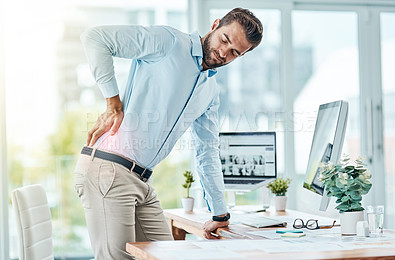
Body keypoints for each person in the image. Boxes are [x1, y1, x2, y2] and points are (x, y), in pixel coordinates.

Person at [74, 7, 263, 259]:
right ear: (215, 24)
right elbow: (95, 38)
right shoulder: (168, 42)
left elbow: (207, 152)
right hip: (109, 169)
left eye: (234, 53)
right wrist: (113, 104)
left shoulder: (210, 92)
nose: (223, 53)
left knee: (168, 255)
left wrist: (220, 214)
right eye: (224, 40)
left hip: (141, 180)